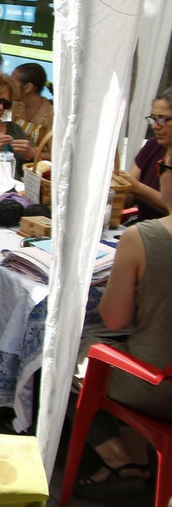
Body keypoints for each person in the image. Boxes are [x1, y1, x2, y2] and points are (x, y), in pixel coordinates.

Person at [79, 151, 172, 487]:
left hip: (155, 386)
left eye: (162, 167)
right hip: (159, 380)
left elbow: (115, 318)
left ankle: (118, 459)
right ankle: (138, 457)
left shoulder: (145, 237)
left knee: (69, 354)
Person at [116, 91, 172, 221]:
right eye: (153, 118)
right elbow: (128, 197)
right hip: (143, 227)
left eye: (163, 119)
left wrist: (138, 188)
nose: (155, 126)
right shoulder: (153, 146)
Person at [11, 62, 54, 159]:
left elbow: (54, 156)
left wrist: (33, 152)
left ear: (28, 87)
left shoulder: (50, 113)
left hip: (38, 169)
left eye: (12, 83)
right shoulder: (17, 106)